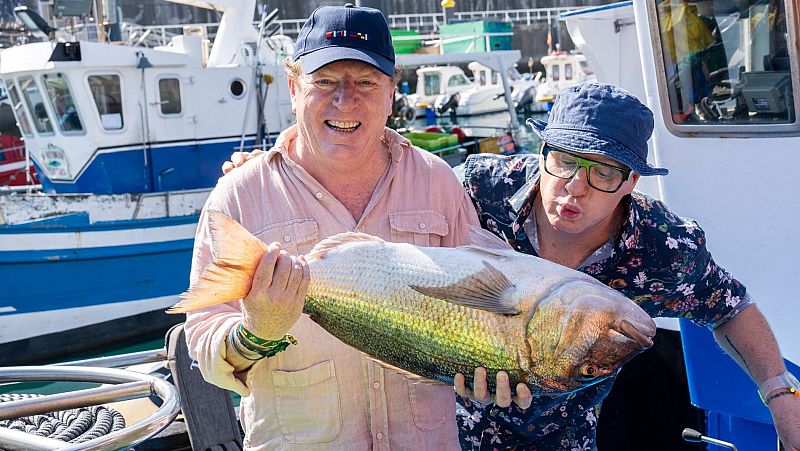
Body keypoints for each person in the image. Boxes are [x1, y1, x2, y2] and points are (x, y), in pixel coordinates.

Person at [184, 4, 528, 450]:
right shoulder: (239, 195)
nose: (345, 101)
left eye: (366, 82)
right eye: (325, 81)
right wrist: (256, 333)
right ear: (293, 88)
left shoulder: (437, 181)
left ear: (391, 93)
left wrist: (496, 366)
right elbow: (203, 341)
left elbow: (487, 297)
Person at [455, 82, 800, 450]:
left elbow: (730, 308)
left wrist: (780, 394)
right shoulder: (478, 191)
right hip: (441, 418)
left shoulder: (662, 248)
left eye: (603, 173)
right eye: (565, 160)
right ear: (542, 153)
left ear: (631, 181)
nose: (575, 186)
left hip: (561, 436)